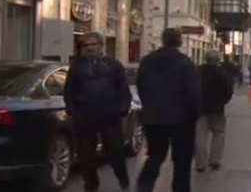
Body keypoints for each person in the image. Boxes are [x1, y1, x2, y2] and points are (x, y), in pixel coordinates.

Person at [63, 32, 131, 192]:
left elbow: (123, 90)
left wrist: (121, 109)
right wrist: (72, 110)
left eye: (93, 44)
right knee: (85, 156)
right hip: (85, 117)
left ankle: (123, 178)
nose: (90, 48)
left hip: (110, 116)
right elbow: (69, 91)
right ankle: (91, 185)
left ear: (101, 46)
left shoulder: (114, 65)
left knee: (115, 152)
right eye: (86, 45)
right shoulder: (77, 67)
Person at [136, 28, 201, 192]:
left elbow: (141, 87)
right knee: (182, 161)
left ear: (163, 40)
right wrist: (194, 115)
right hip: (182, 120)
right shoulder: (185, 63)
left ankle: (144, 186)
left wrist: (149, 108)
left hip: (154, 118)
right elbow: (192, 93)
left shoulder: (147, 61)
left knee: (155, 156)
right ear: (179, 41)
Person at [195, 50, 233, 172]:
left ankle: (200, 163)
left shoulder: (198, 71)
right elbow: (228, 90)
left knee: (200, 137)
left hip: (200, 108)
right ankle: (215, 160)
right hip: (217, 109)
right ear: (218, 60)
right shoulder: (222, 72)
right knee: (219, 134)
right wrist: (222, 102)